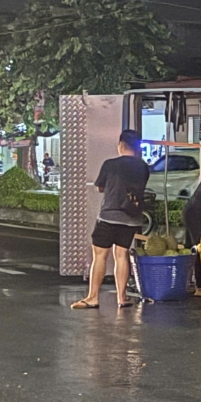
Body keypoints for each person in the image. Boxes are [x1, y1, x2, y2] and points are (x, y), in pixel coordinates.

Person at [72, 129, 149, 310]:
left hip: (109, 215)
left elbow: (100, 187)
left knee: (100, 256)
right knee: (121, 255)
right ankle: (122, 298)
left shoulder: (110, 164)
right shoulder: (143, 167)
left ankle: (93, 297)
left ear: (121, 145)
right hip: (132, 218)